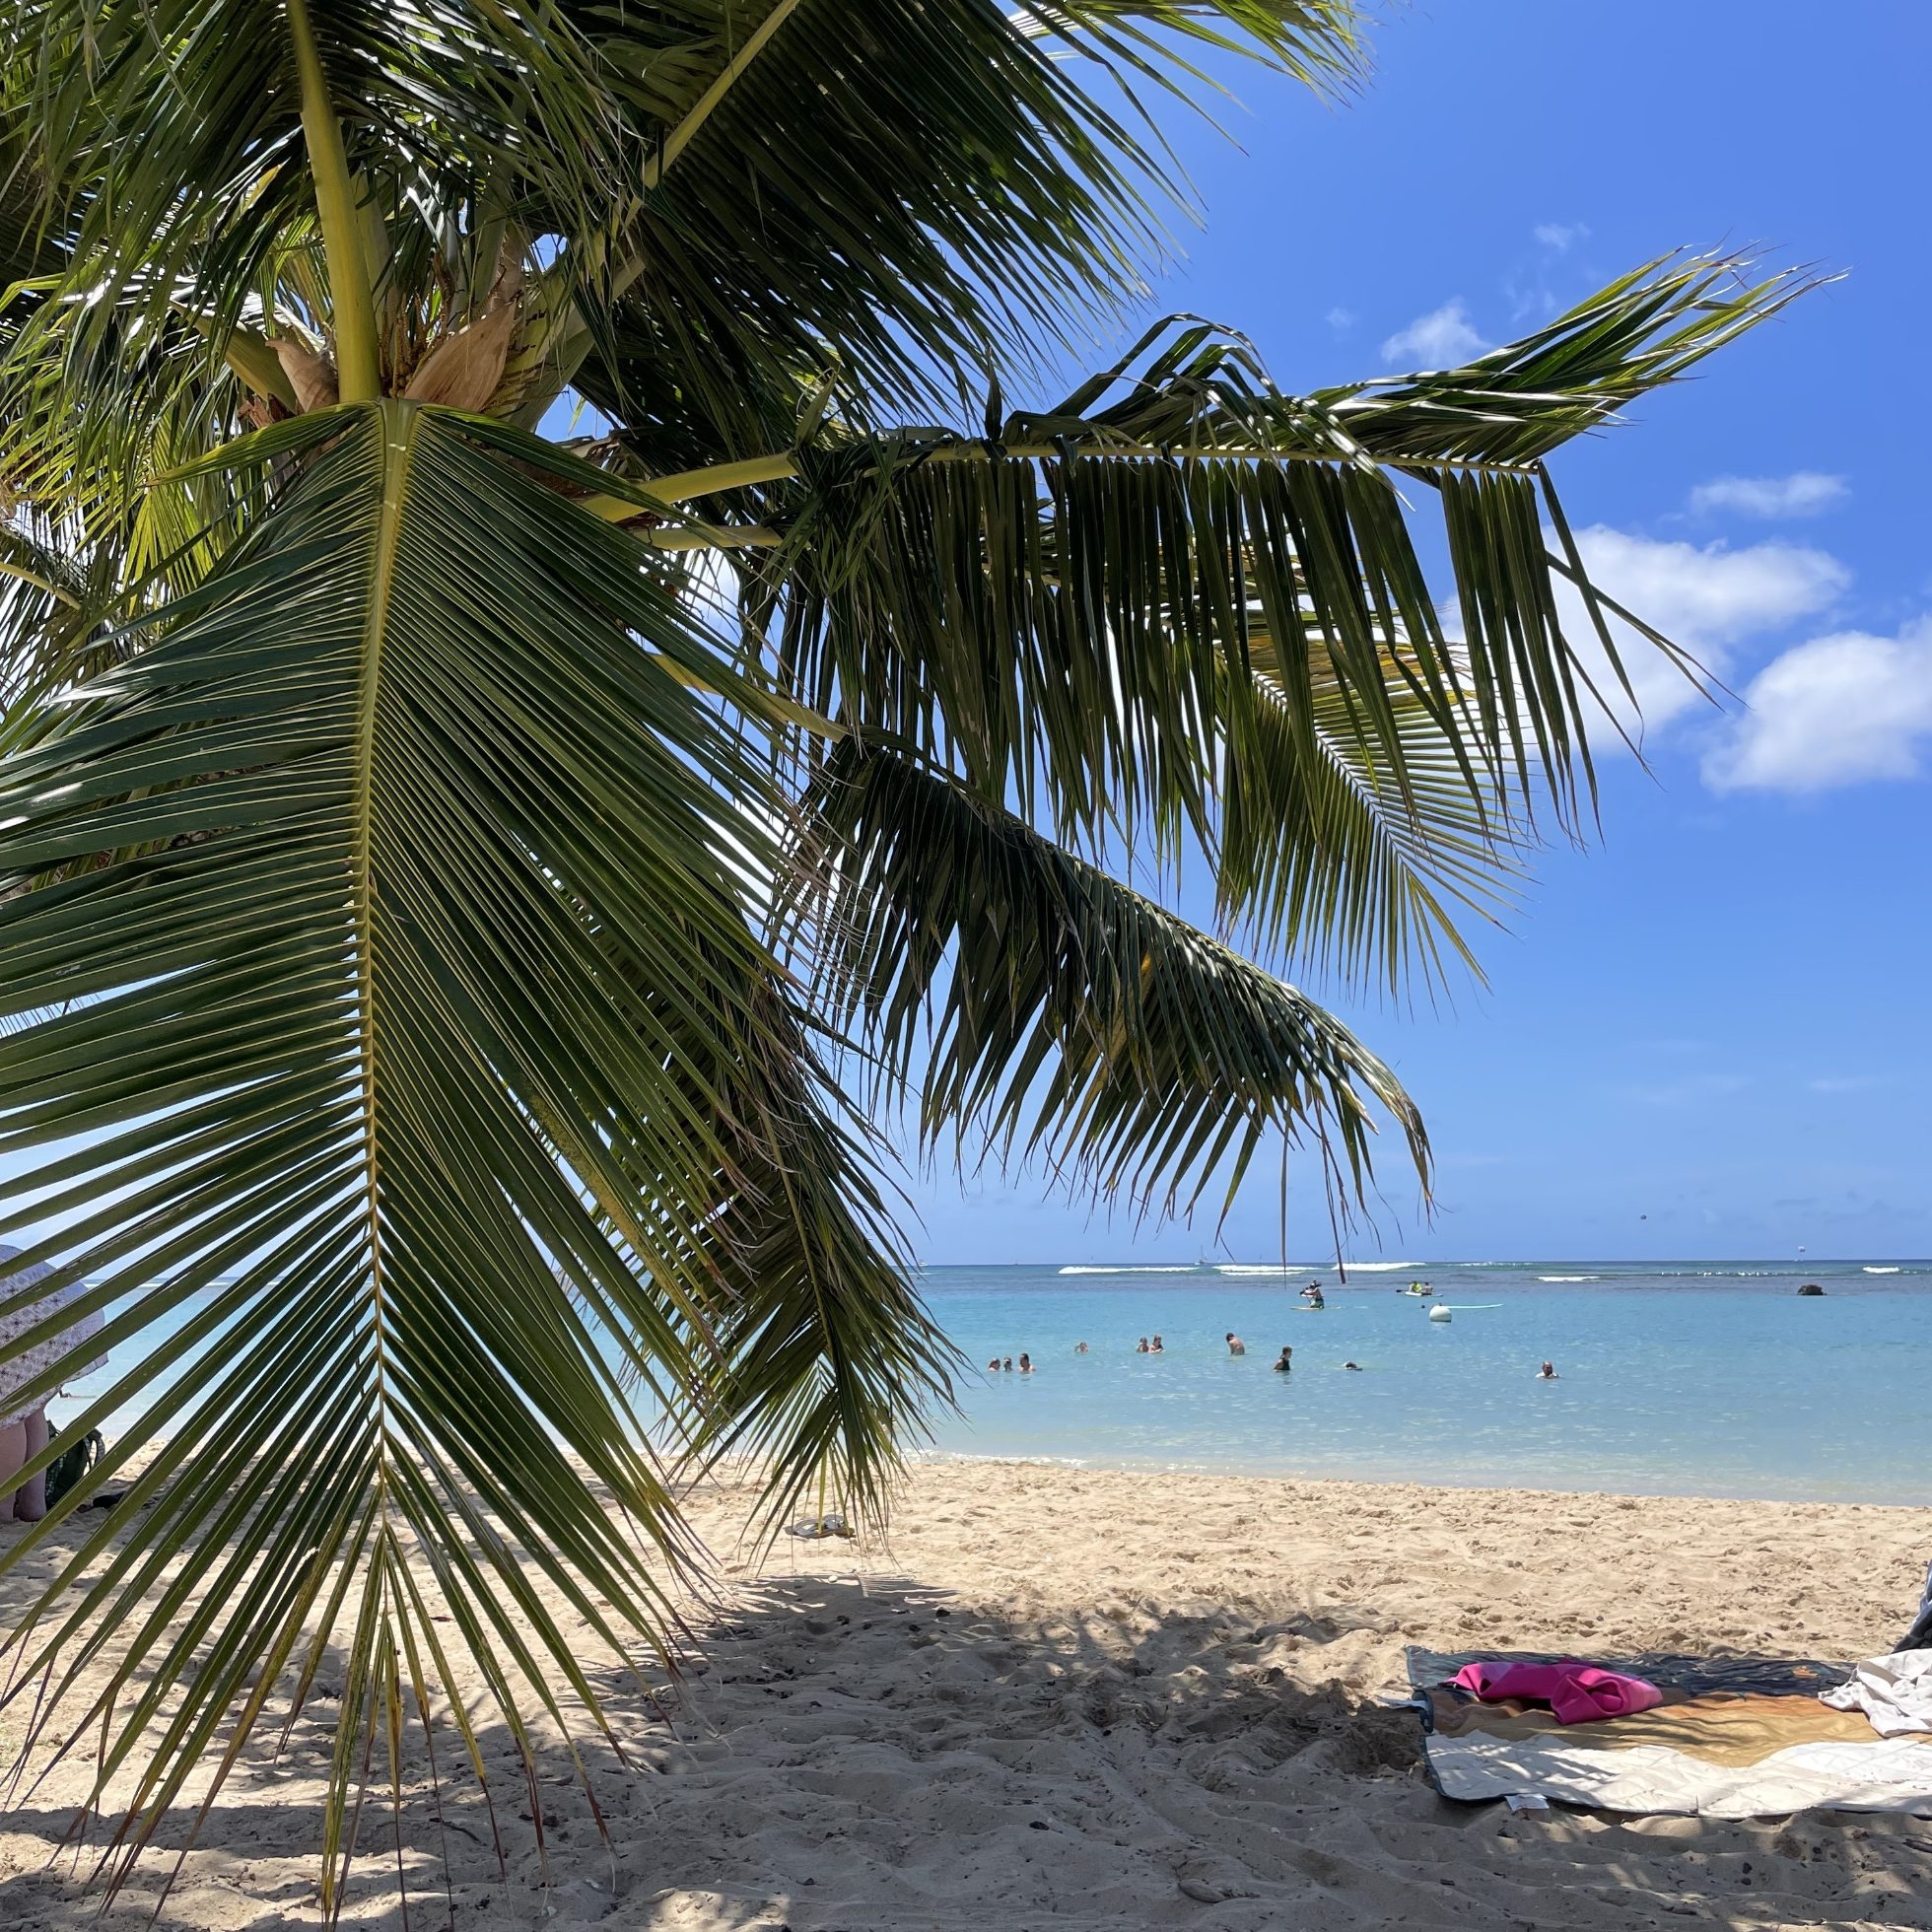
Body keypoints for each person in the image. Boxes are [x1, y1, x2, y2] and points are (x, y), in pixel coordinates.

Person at [1, 1248, 106, 1524]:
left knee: (7, 1412)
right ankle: (32, 1504)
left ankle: (3, 1508)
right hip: (70, 1308)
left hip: (42, 1318)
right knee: (28, 1408)